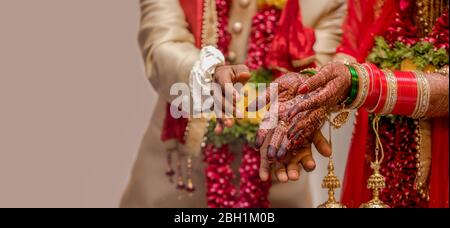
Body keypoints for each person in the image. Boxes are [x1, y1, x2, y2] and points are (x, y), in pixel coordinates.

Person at [120, 0, 347, 208]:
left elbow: (321, 72)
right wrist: (207, 73)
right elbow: (161, 44)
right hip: (179, 171)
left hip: (279, 169)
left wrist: (299, 106)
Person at [256, 0, 449, 208]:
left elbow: (354, 76)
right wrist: (310, 92)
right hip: (386, 148)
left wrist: (358, 83)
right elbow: (353, 49)